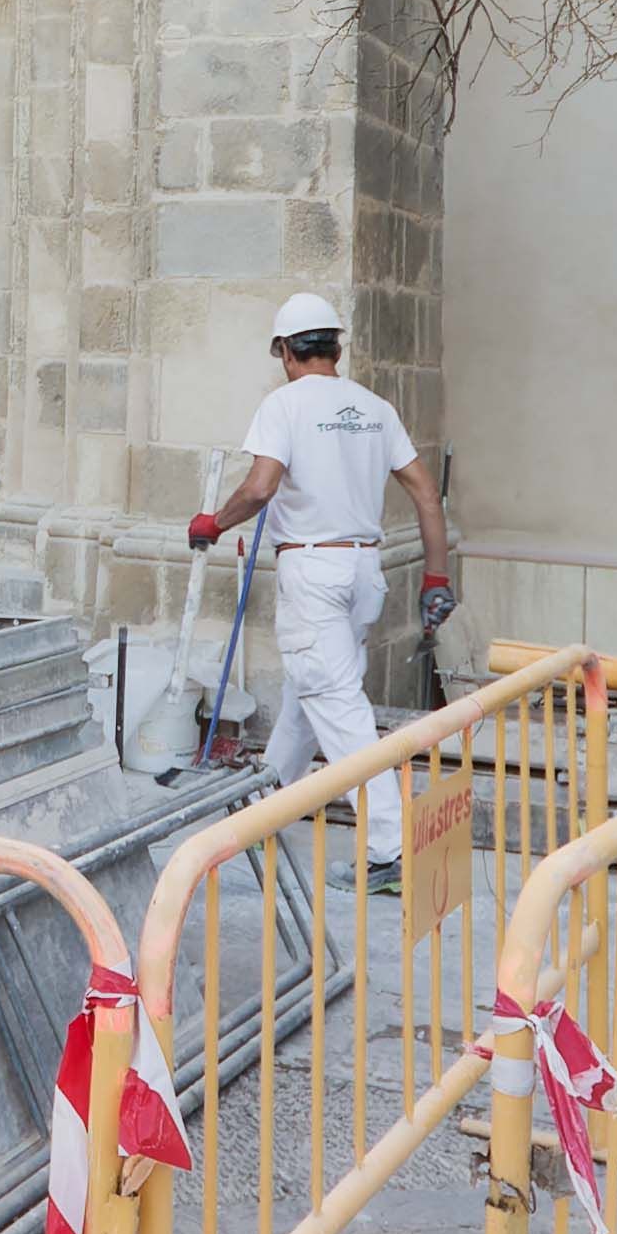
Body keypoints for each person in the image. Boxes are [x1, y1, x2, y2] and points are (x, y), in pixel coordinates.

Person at [185, 293, 455, 883]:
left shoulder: (282, 405)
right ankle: (263, 816)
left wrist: (213, 523)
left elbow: (260, 488)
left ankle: (391, 847)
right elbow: (425, 493)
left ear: (284, 351)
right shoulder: (374, 408)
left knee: (338, 707)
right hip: (363, 573)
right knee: (312, 699)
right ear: (337, 346)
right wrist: (435, 574)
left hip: (313, 570)